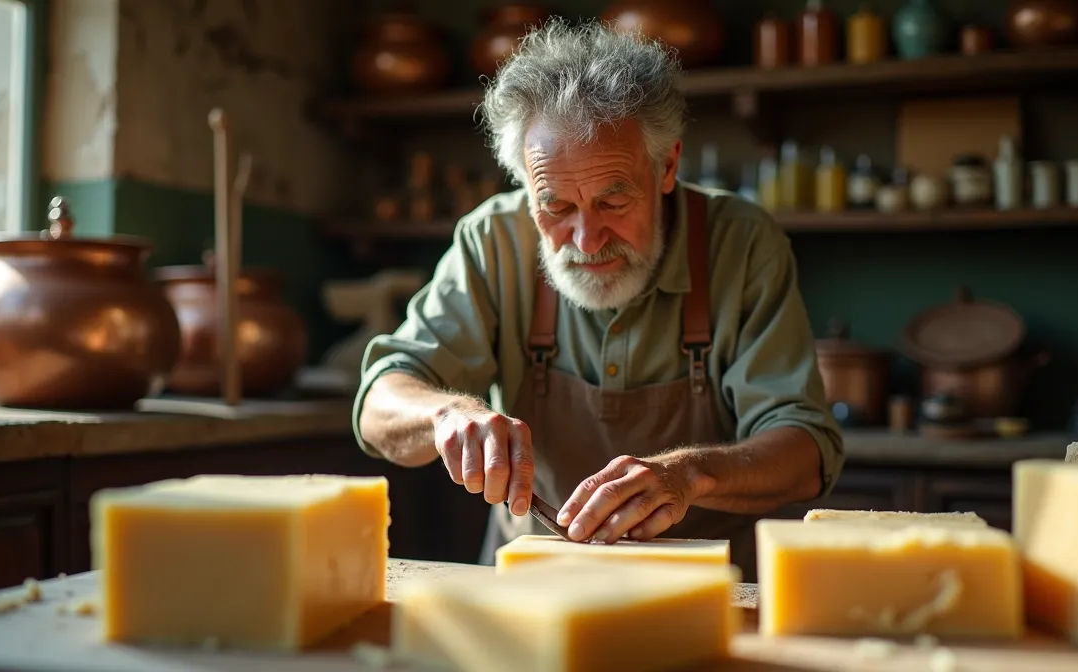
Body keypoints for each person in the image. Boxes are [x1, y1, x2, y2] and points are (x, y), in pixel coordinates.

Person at [352, 18, 843, 581]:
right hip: (534, 585)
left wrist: (688, 475)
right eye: (556, 207)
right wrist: (446, 415)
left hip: (705, 589)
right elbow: (379, 404)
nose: (586, 241)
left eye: (613, 201)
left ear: (667, 166)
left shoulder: (741, 243)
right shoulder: (492, 241)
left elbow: (807, 452)